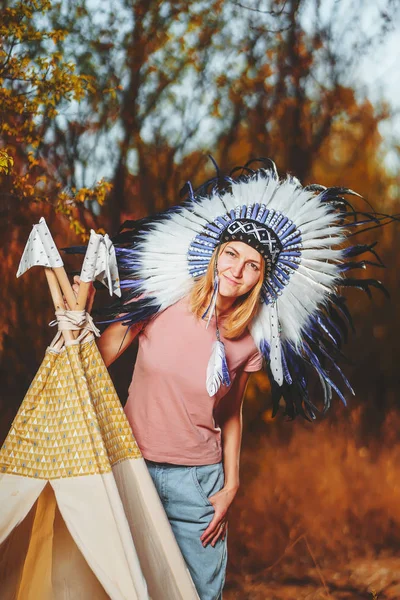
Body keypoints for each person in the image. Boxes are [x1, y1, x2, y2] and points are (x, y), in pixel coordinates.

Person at [72, 159, 389, 599]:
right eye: (231, 254)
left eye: (253, 266)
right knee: (128, 589)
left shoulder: (249, 342)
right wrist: (74, 323)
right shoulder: (159, 300)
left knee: (201, 592)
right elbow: (94, 361)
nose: (237, 271)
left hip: (199, 483)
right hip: (132, 466)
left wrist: (231, 485)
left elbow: (231, 413)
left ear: (262, 279)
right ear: (216, 253)